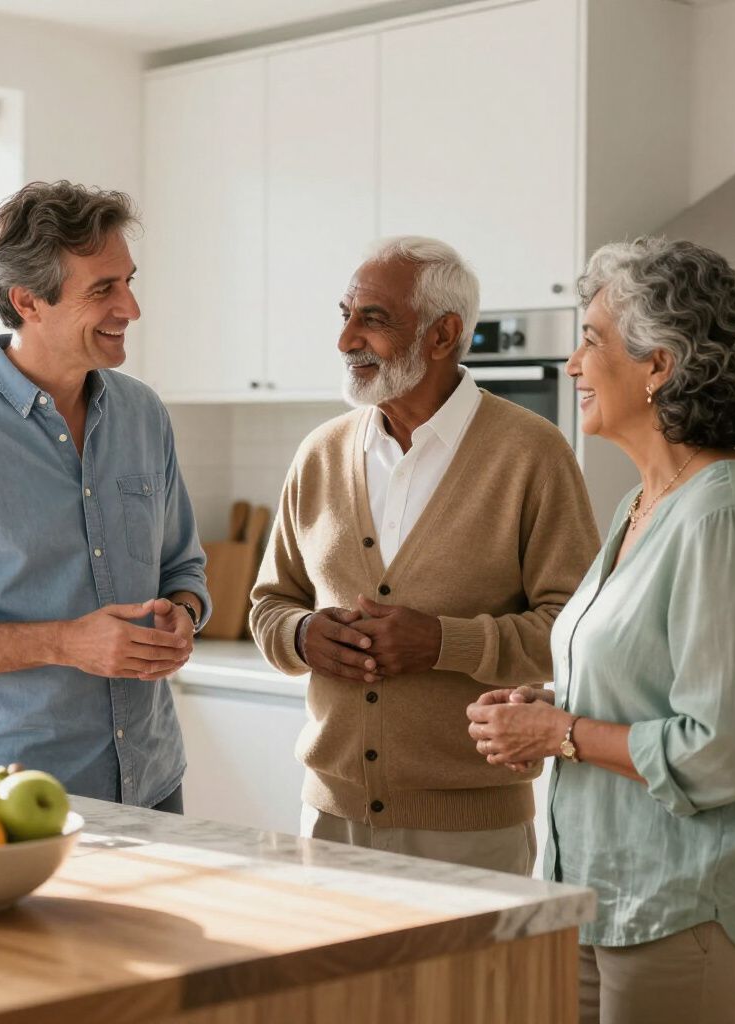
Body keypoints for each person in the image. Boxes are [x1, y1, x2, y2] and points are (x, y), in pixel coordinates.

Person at [467, 237, 735, 1023]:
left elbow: (723, 751)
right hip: (603, 898)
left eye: (589, 341)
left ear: (658, 364)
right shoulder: (639, 506)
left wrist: (559, 732)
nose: (572, 367)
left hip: (690, 912)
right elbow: (649, 678)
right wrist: (548, 707)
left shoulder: (720, 515)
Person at [250, 236, 599, 874]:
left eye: (373, 319)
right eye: (345, 315)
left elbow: (578, 634)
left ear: (443, 336)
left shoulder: (532, 455)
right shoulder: (320, 453)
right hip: (330, 823)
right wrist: (302, 637)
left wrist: (443, 642)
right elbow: (270, 602)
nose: (345, 339)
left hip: (471, 836)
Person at [0, 181, 210, 812]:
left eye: (128, 281)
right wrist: (63, 642)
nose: (130, 307)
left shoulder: (143, 415)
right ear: (29, 301)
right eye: (102, 289)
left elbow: (183, 568)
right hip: (6, 799)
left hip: (154, 783)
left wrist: (184, 615)